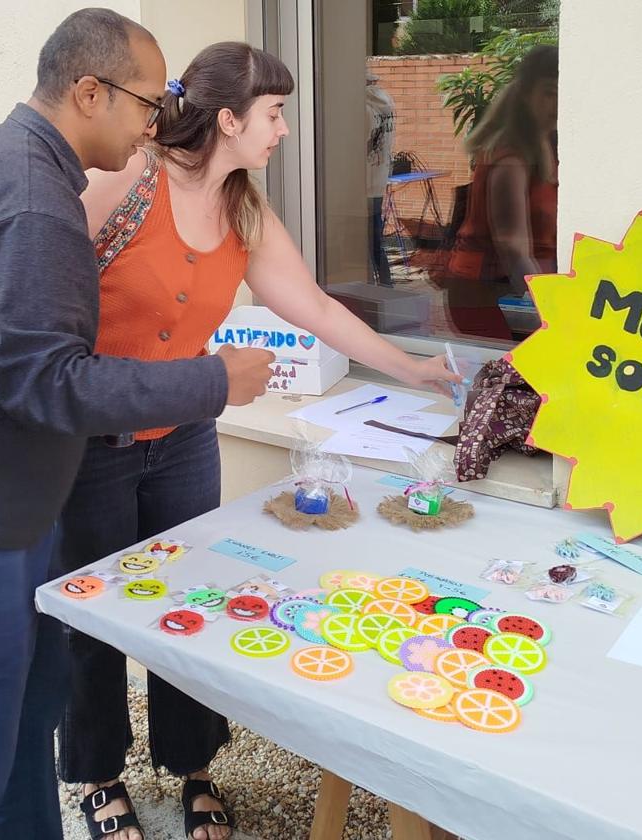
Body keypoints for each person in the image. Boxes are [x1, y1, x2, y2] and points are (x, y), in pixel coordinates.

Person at [0, 10, 275, 840]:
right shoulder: (33, 200)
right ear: (89, 92)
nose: (157, 126)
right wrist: (210, 381)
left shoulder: (7, 164)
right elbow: (49, 385)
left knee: (19, 738)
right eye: (149, 105)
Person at [58, 41, 462, 840]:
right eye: (274, 114)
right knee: (93, 614)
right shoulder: (122, 184)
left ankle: (193, 766)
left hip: (182, 440)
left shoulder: (245, 209)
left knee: (190, 600)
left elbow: (313, 308)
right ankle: (99, 776)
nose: (283, 131)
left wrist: (411, 369)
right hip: (90, 446)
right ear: (229, 118)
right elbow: (40, 302)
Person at [441, 44, 558, 341]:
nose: (556, 104)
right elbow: (513, 249)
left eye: (562, 93)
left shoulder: (542, 145)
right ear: (525, 94)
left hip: (510, 291)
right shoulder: (511, 158)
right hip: (486, 296)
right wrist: (552, 311)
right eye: (548, 93)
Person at [365, 70, 395, 287]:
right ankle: (385, 284)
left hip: (363, 183)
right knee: (375, 239)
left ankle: (380, 287)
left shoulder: (365, 108)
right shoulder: (386, 102)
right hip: (378, 178)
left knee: (367, 242)